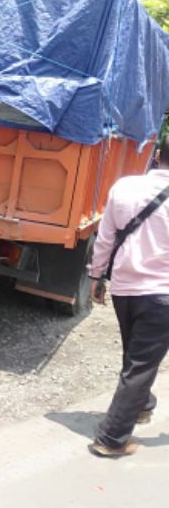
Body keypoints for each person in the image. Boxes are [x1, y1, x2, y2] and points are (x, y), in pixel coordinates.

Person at [87, 136, 169, 457]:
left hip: (124, 289)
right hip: (162, 294)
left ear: (157, 154)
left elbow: (105, 237)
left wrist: (96, 276)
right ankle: (111, 438)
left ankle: (141, 403)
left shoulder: (123, 188)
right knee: (140, 365)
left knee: (136, 356)